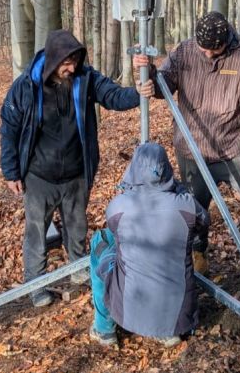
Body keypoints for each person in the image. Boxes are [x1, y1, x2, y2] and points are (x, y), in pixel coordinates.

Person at [134, 11, 240, 284]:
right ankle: (198, 257)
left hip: (235, 150)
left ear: (225, 41)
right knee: (193, 210)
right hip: (192, 150)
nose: (206, 55)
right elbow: (165, 84)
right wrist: (150, 74)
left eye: (211, 50)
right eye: (202, 48)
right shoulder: (184, 51)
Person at [0, 29, 145, 307]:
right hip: (39, 175)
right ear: (54, 61)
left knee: (77, 226)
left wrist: (138, 92)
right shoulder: (26, 87)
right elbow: (9, 128)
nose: (72, 68)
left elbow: (113, 96)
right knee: (36, 233)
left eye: (75, 61)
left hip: (77, 172)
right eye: (66, 63)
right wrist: (11, 171)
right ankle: (36, 283)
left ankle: (78, 268)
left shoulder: (85, 79)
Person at [88, 142, 209, 347]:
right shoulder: (187, 205)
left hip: (129, 310)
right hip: (178, 316)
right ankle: (165, 330)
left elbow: (115, 233)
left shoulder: (118, 206)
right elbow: (203, 224)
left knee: (99, 242)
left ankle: (104, 328)